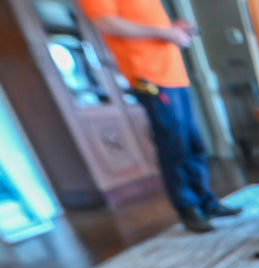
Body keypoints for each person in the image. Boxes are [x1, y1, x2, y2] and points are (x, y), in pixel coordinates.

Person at [80, 0, 241, 233]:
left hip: (174, 76)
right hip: (150, 77)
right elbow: (106, 22)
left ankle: (207, 202)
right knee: (173, 145)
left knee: (193, 143)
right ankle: (188, 208)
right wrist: (164, 32)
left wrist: (173, 30)